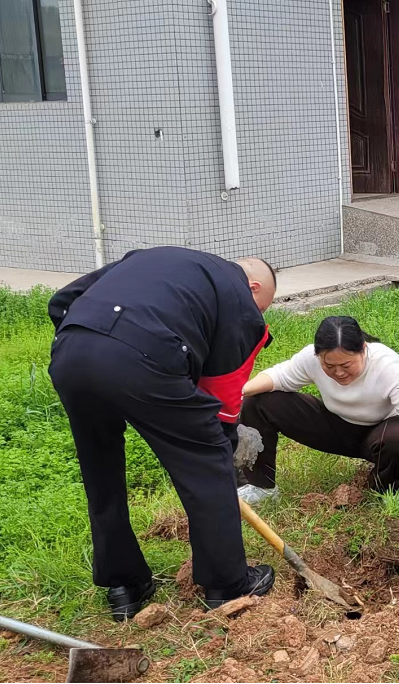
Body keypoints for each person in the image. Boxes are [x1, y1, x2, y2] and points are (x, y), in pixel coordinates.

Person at [48, 247, 279, 620]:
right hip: (144, 356)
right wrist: (219, 451)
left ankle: (123, 585)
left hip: (71, 352)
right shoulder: (238, 297)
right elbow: (223, 403)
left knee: (100, 470)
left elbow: (63, 300)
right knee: (207, 460)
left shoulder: (150, 257)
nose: (257, 316)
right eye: (262, 308)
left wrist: (93, 350)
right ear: (253, 287)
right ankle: (227, 585)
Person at [236, 316, 399, 504]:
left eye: (346, 365)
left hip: (380, 434)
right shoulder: (312, 358)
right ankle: (261, 486)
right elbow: (279, 376)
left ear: (363, 349)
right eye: (329, 366)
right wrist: (238, 393)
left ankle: (384, 489)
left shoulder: (387, 366)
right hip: (336, 426)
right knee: (257, 402)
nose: (339, 372)